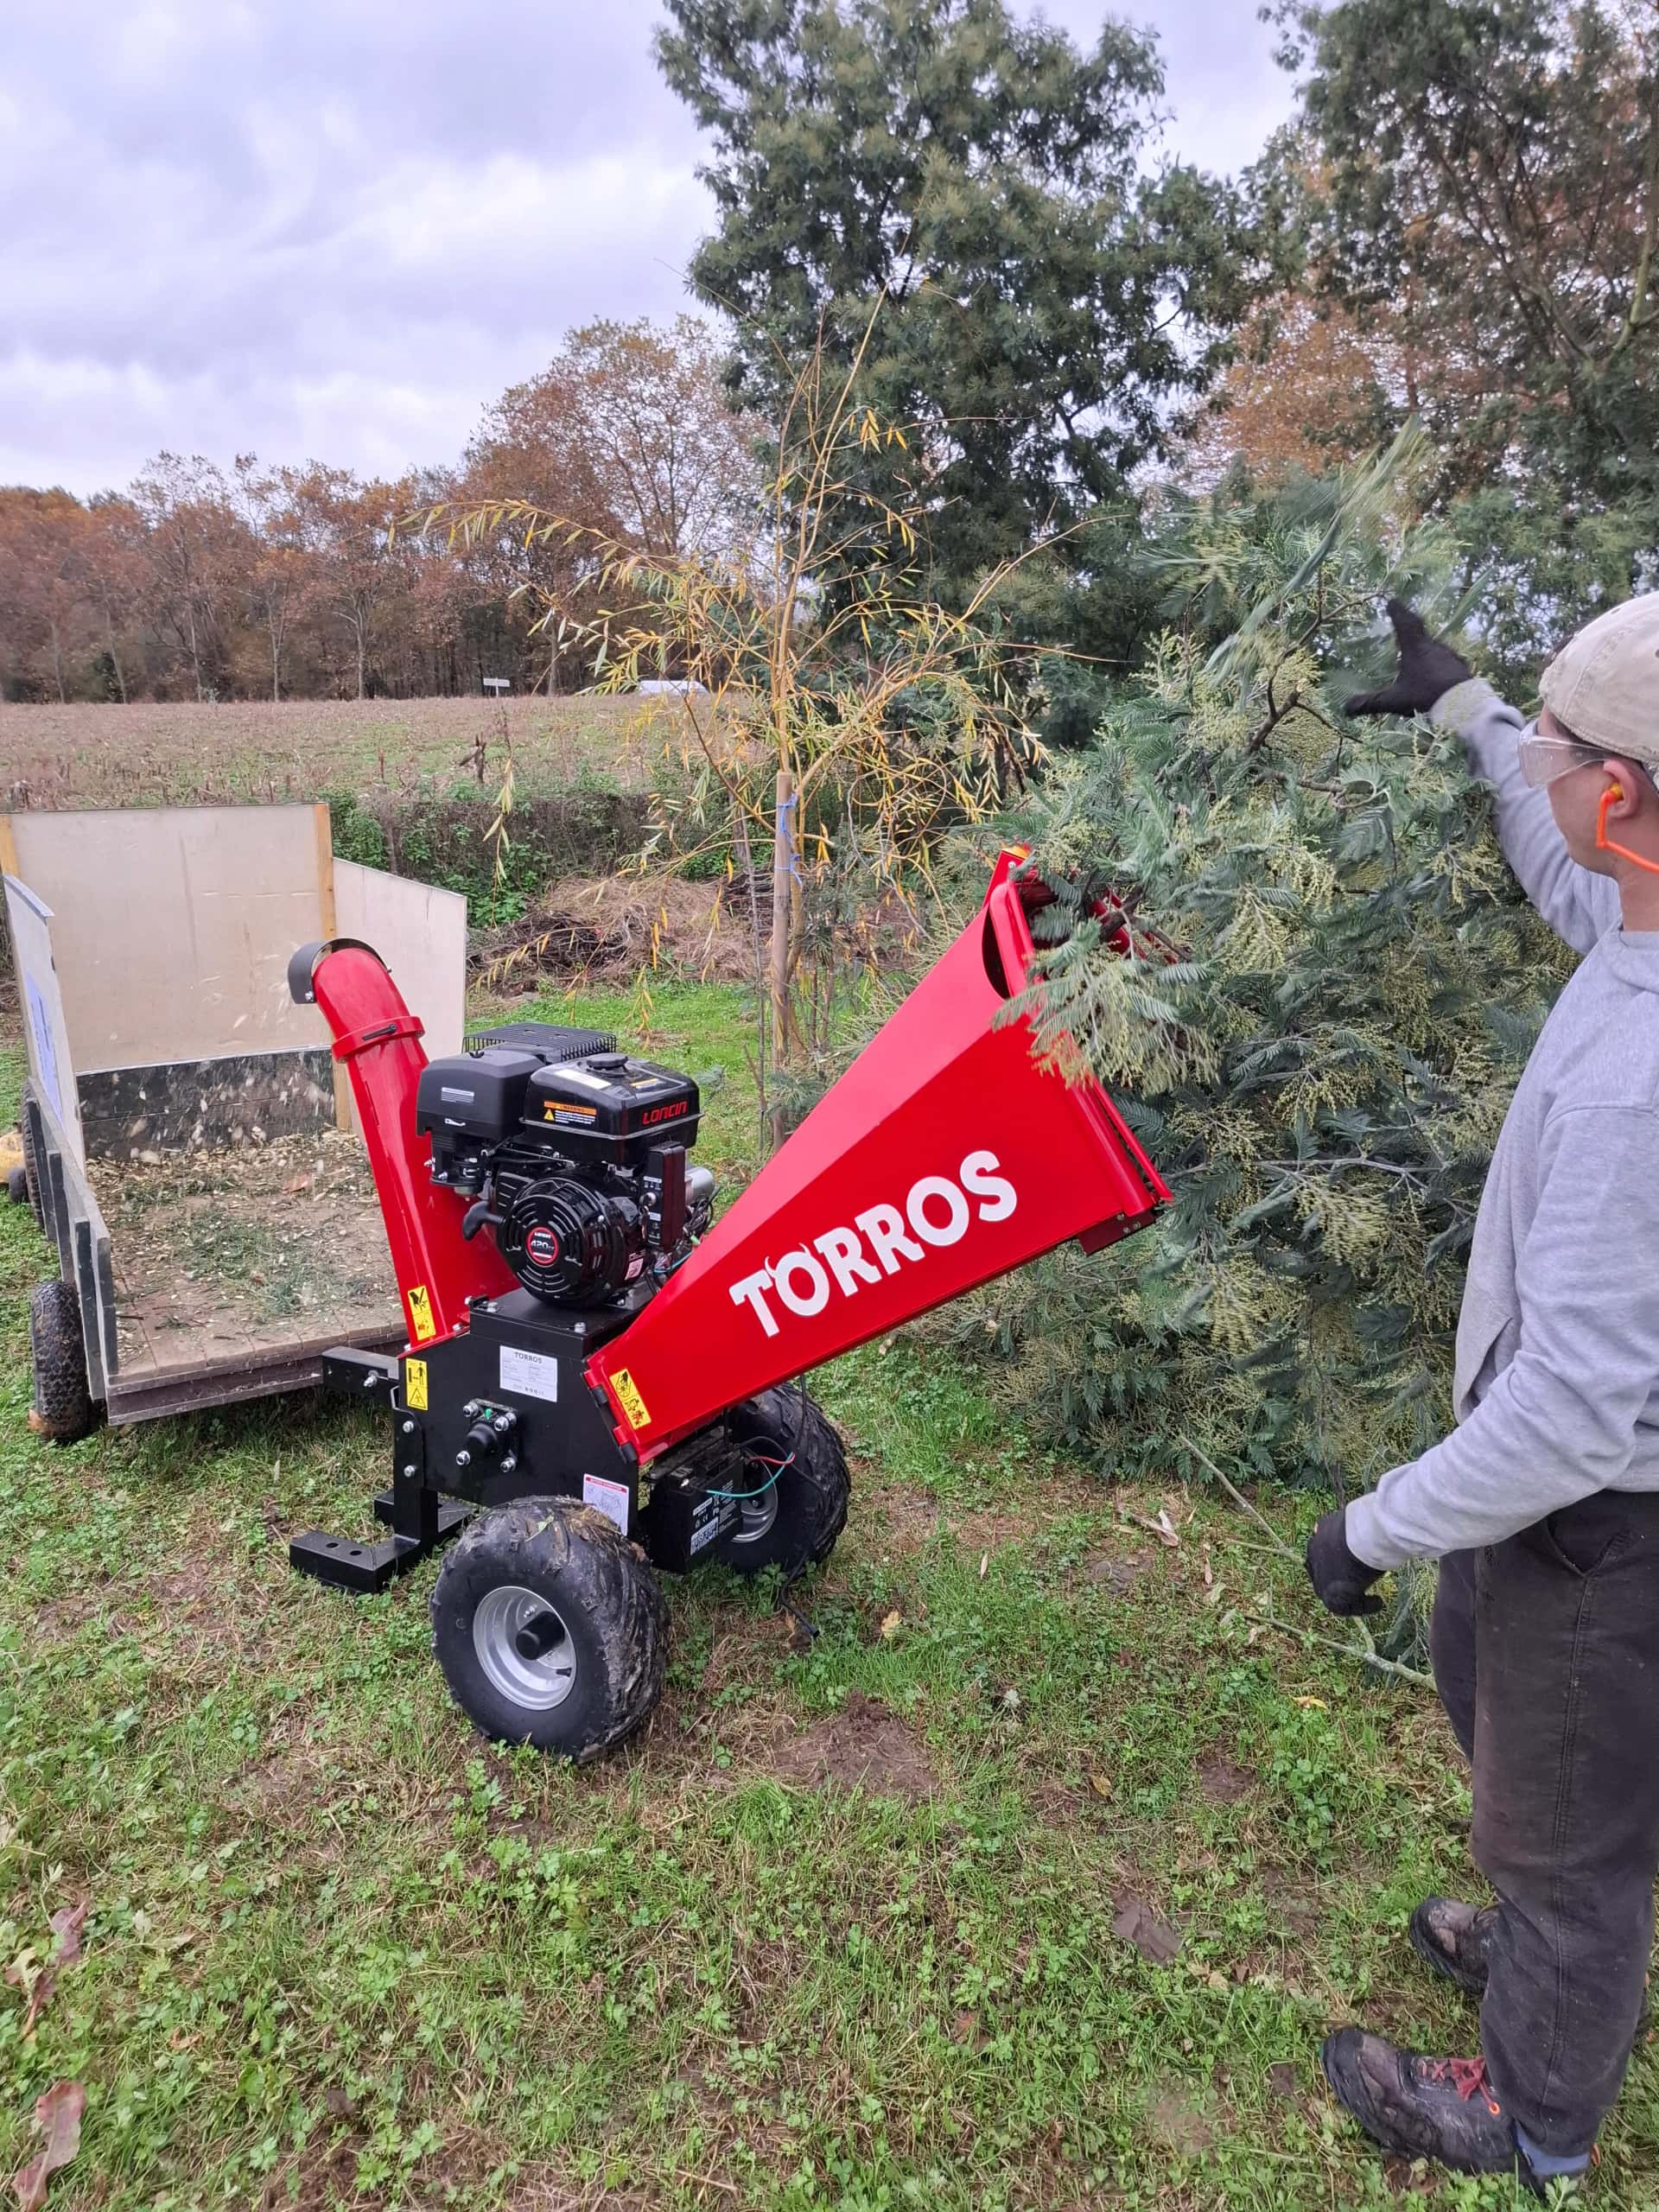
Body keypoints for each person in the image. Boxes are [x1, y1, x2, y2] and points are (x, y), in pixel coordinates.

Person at [1304, 591, 1659, 2196]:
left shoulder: (1633, 1095)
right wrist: (1472, 712)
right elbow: (1551, 849)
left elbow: (1576, 1412)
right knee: (1497, 1715)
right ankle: (1540, 1957)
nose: (1548, 764)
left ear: (1631, 796)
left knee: (1567, 1840)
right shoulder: (1641, 922)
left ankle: (1530, 2118)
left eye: (1562, 748)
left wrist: (1369, 1529)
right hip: (1556, 1520)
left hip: (1601, 1526)